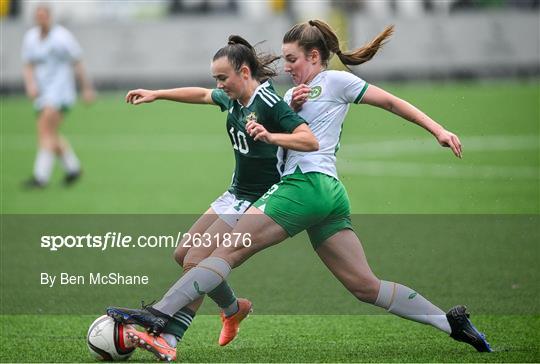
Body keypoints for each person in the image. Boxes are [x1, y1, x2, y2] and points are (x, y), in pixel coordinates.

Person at [108, 20, 491, 360]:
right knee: (363, 285)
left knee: (221, 252)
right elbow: (248, 102)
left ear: (314, 55)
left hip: (304, 186)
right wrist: (288, 101)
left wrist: (438, 129)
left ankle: (162, 316)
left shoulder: (336, 81)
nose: (286, 67)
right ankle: (449, 322)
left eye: (292, 59)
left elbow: (388, 102)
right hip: (329, 195)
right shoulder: (291, 95)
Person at [111, 35, 318, 361]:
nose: (219, 85)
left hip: (260, 200)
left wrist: (271, 135)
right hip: (235, 193)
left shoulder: (269, 104)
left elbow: (308, 138)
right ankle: (234, 309)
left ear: (245, 72)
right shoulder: (235, 98)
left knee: (197, 261)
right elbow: (202, 94)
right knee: (183, 254)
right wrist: (157, 94)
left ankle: (169, 336)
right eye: (216, 78)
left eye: (224, 78)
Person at [21, 4, 94, 188]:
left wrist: (86, 88)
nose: (41, 19)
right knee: (50, 134)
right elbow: (28, 64)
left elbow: (78, 61)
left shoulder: (62, 37)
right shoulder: (30, 38)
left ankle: (40, 177)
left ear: (50, 17)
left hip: (61, 93)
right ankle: (73, 169)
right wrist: (30, 85)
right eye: (38, 16)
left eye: (44, 16)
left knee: (44, 129)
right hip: (43, 93)